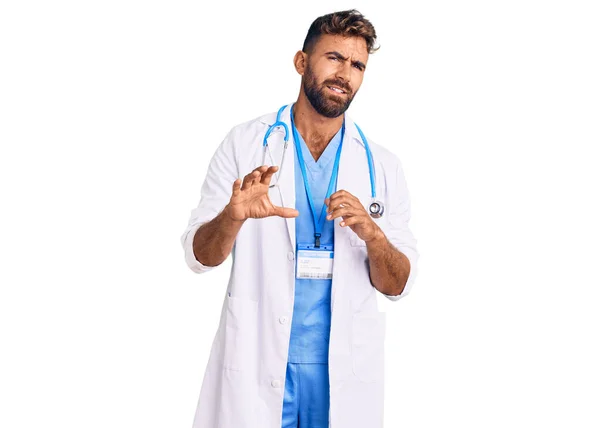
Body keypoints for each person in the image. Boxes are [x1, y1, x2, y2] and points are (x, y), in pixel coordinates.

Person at [180, 9, 419, 428]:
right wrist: (232, 218)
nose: (344, 73)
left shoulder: (382, 166)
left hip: (341, 376)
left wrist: (374, 235)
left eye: (357, 64)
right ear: (301, 62)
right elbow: (200, 257)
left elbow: (397, 285)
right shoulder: (246, 144)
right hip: (257, 364)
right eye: (333, 58)